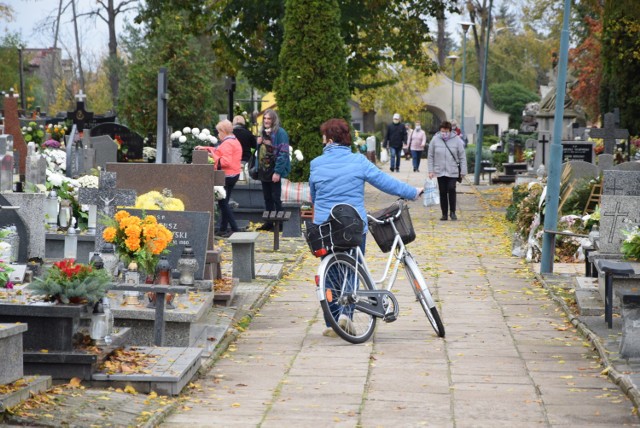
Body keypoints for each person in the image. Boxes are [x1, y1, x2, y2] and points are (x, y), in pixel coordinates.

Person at [310, 118, 422, 337]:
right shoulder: (358, 161)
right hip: (351, 224)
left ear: (330, 140)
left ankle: (332, 323)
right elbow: (385, 182)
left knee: (330, 273)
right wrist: (412, 192)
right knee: (353, 267)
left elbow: (314, 195)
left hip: (325, 227)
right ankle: (345, 315)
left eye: (324, 138)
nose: (323, 142)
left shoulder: (316, 163)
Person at [195, 120, 243, 237]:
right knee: (224, 201)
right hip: (234, 174)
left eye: (218, 132)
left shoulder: (227, 143)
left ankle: (235, 229)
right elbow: (218, 151)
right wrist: (205, 148)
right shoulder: (233, 140)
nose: (218, 134)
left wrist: (213, 156)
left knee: (223, 203)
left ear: (223, 131)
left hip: (227, 175)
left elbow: (225, 161)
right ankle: (223, 228)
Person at [256, 109, 291, 231]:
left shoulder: (280, 133)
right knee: (267, 197)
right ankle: (269, 222)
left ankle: (280, 224)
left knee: (276, 197)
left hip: (274, 169)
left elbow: (283, 153)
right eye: (264, 118)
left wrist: (277, 172)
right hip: (264, 169)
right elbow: (261, 151)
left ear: (274, 120)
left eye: (269, 118)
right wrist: (259, 143)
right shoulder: (263, 132)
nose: (266, 121)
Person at [428, 121, 467, 221]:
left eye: (446, 131)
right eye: (442, 131)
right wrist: (430, 170)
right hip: (440, 170)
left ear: (450, 131)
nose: (444, 133)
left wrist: (463, 171)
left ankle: (453, 212)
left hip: (452, 170)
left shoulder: (457, 140)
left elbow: (462, 156)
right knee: (443, 191)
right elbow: (430, 156)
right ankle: (444, 213)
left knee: (451, 188)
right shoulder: (435, 139)